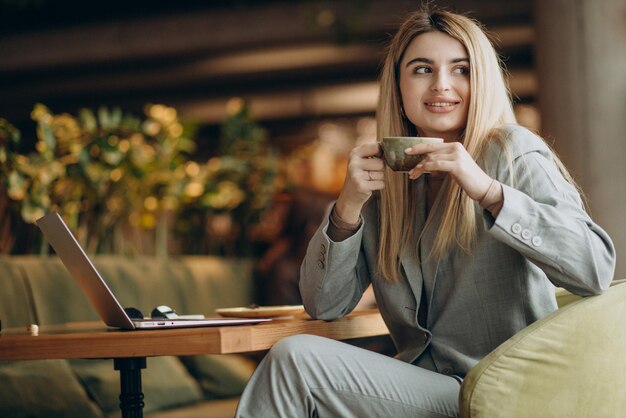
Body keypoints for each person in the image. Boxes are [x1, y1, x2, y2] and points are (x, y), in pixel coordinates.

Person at [235, 7, 616, 418]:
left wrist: (488, 191)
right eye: (421, 69)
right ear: (398, 84)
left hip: (505, 393)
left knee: (295, 363)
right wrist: (347, 206)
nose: (442, 85)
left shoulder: (511, 151)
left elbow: (594, 269)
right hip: (425, 387)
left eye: (461, 69)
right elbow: (324, 305)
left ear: (481, 79)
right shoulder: (385, 185)